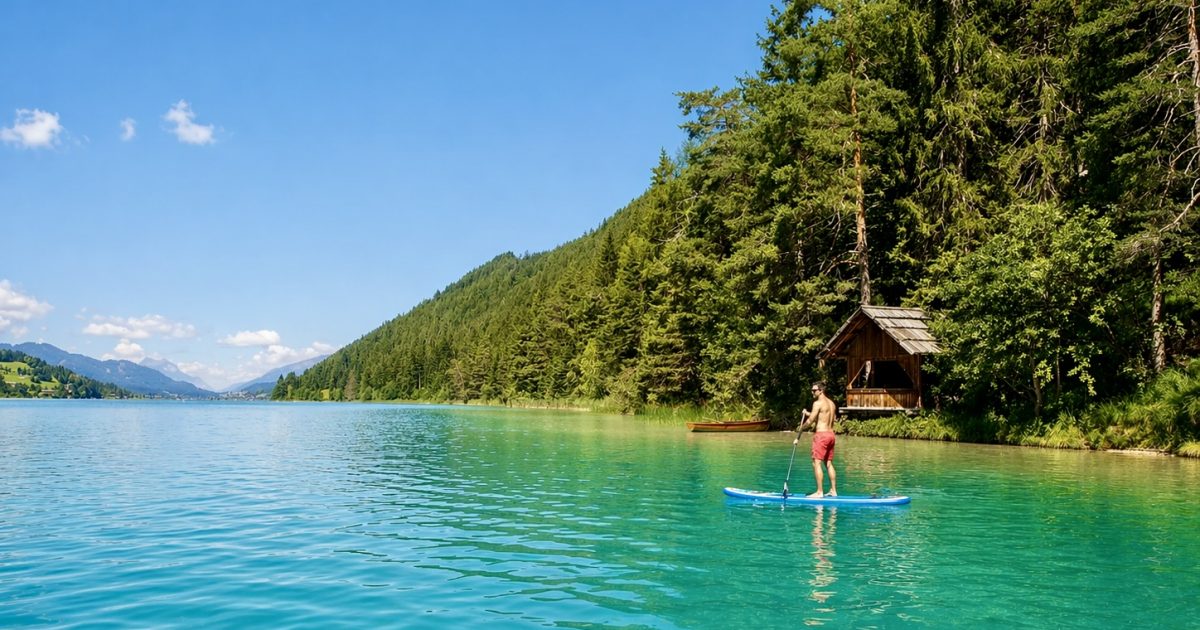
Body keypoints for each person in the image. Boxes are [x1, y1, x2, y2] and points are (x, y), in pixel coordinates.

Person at [794, 381, 837, 497]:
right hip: (831, 435)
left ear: (821, 390)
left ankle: (819, 492)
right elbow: (822, 416)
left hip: (821, 436)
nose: (812, 392)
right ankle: (833, 491)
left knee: (816, 463)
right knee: (828, 463)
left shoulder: (817, 403)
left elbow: (811, 421)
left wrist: (801, 428)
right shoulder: (831, 403)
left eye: (814, 390)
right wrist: (807, 413)